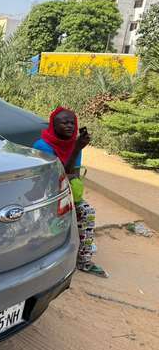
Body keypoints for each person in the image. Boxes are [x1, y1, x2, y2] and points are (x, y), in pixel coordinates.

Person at [34, 107, 108, 278]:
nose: (70, 126)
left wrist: (76, 149)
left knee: (87, 213)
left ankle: (84, 260)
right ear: (53, 125)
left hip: (67, 191)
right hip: (46, 193)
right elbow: (57, 174)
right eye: (64, 122)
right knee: (48, 224)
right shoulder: (42, 145)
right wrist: (76, 149)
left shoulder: (75, 145)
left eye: (72, 123)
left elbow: (73, 173)